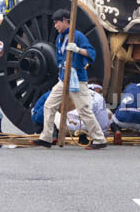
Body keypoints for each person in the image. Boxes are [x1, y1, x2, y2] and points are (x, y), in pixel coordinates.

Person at [32, 8, 107, 149]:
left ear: (66, 21)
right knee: (49, 105)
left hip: (77, 79)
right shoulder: (59, 38)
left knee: (84, 110)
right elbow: (60, 58)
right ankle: (46, 137)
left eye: (57, 22)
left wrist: (78, 50)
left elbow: (91, 52)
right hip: (63, 78)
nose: (55, 26)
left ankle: (99, 139)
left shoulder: (77, 36)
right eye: (54, 23)